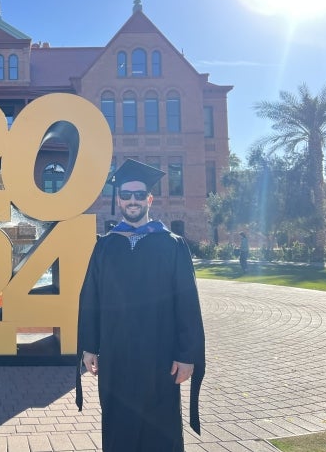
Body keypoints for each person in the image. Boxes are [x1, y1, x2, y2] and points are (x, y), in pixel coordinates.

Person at [76, 159, 206, 452]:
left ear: (149, 199)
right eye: (126, 195)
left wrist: (187, 355)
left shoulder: (171, 244)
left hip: (160, 358)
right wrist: (89, 346)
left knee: (161, 431)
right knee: (118, 429)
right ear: (118, 199)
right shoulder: (105, 246)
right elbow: (91, 298)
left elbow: (187, 301)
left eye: (138, 195)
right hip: (116, 357)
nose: (132, 200)